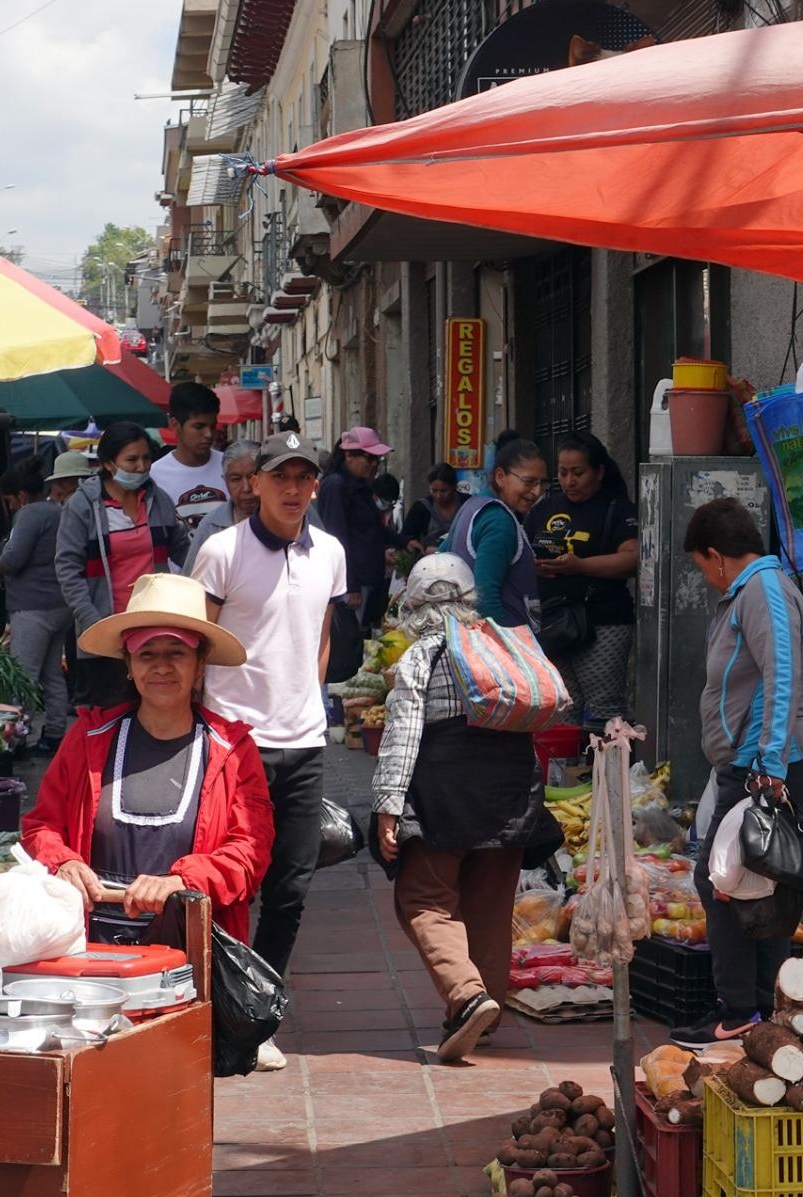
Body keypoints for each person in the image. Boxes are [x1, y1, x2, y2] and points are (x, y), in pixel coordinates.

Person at [190, 430, 347, 1070]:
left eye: (304, 477)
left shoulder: (331, 553)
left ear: (315, 486)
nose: (292, 489)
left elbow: (322, 638)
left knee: (291, 886)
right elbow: (199, 643)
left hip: (304, 741)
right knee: (230, 884)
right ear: (255, 483)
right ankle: (217, 1009)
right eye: (280, 476)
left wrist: (307, 699)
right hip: (233, 740)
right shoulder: (221, 552)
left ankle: (262, 1011)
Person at [373, 555, 561, 1060]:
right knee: (489, 908)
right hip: (511, 797)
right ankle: (486, 1010)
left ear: (413, 606)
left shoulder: (422, 656)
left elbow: (401, 736)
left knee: (422, 899)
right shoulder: (502, 649)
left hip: (444, 798)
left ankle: (466, 995)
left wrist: (389, 805)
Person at [21, 571, 273, 944]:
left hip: (191, 953)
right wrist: (63, 862)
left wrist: (185, 881)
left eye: (177, 654)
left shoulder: (232, 750)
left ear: (200, 664)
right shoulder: (88, 738)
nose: (161, 667)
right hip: (87, 952)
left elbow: (251, 850)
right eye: (147, 654)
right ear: (129, 664)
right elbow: (41, 825)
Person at [672, 497, 803, 1049]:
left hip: (764, 766)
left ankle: (739, 1011)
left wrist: (768, 765)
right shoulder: (754, 591)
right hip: (758, 763)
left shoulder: (763, 591)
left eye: (700, 567)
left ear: (716, 556)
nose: (706, 578)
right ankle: (764, 1009)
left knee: (723, 885)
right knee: (759, 882)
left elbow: (783, 676)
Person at [55, 419, 191, 709]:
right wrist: (92, 620)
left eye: (146, 459)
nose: (141, 467)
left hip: (153, 627)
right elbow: (68, 569)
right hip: (105, 631)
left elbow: (186, 551)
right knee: (107, 716)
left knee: (153, 710)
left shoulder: (158, 500)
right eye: (131, 460)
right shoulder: (83, 507)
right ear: (108, 464)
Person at [526, 432, 640, 726]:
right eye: (563, 473)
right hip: (553, 622)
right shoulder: (544, 508)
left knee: (604, 711)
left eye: (578, 473)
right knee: (561, 709)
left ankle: (604, 771)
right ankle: (567, 771)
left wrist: (580, 566)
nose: (569, 482)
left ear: (599, 471)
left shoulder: (617, 508)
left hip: (602, 623)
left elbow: (632, 558)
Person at [0, 465, 70, 749]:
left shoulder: (30, 514)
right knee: (52, 674)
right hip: (59, 604)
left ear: (21, 495)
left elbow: (13, 559)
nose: (10, 507)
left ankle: (17, 737)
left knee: (24, 676)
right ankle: (55, 733)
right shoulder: (57, 512)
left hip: (33, 607)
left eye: (10, 501)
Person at [444, 435, 546, 631]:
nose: (537, 492)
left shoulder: (472, 506)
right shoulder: (499, 522)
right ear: (500, 477)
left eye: (542, 483)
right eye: (529, 482)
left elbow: (443, 553)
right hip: (496, 642)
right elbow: (485, 597)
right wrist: (506, 646)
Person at [316, 425, 392, 621]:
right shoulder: (336, 485)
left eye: (378, 459)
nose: (374, 464)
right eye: (369, 458)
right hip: (352, 586)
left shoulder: (361, 486)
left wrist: (404, 541)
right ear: (349, 456)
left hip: (368, 580)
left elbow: (372, 528)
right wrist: (350, 584)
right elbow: (336, 538)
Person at [149, 381, 228, 531]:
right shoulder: (154, 477)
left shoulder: (230, 467)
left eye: (212, 426)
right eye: (199, 427)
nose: (208, 434)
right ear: (175, 425)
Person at [186, 439, 260, 571]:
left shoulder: (293, 515)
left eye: (251, 477)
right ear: (224, 481)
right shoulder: (210, 526)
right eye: (236, 479)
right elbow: (191, 584)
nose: (246, 488)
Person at [402, 464, 464, 555]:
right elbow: (407, 537)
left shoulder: (467, 505)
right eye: (434, 490)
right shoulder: (421, 507)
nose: (438, 496)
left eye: (444, 491)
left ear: (454, 486)